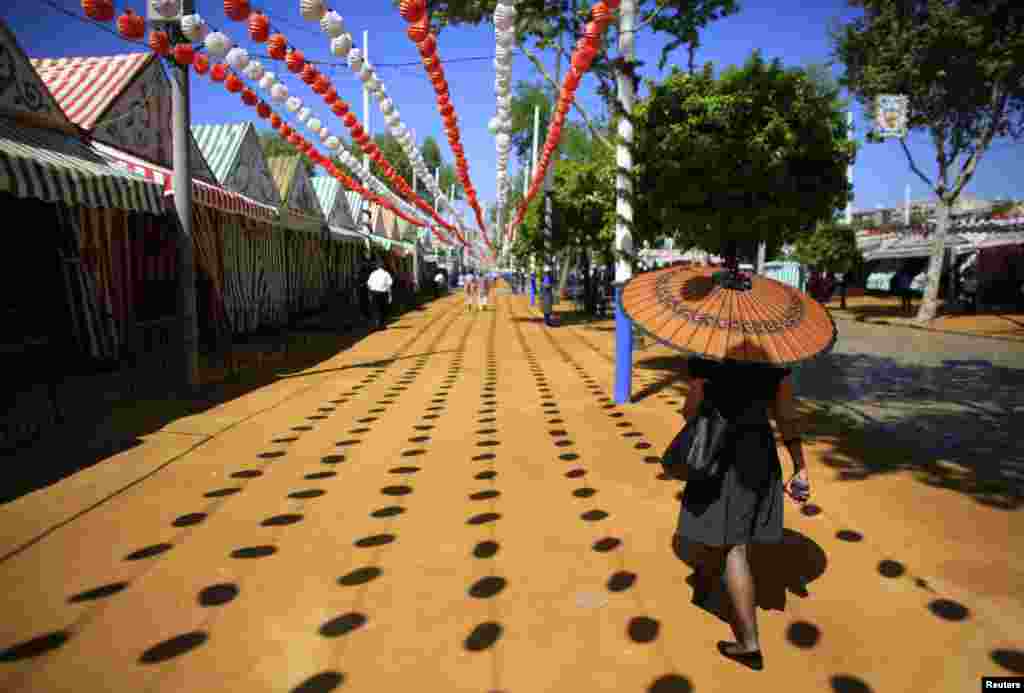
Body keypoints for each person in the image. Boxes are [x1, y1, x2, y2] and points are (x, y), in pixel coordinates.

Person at [676, 349, 809, 671]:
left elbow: (690, 412)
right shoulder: (776, 360)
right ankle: (707, 584)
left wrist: (706, 392)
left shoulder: (706, 356)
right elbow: (786, 415)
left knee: (735, 548)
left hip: (717, 451)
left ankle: (749, 644)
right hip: (759, 452)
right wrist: (800, 466)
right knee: (724, 532)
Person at [367, 262, 392, 330]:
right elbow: (389, 285)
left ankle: (376, 324)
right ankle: (381, 325)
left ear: (377, 267)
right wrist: (390, 295)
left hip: (374, 293)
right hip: (383, 293)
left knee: (375, 309)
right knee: (383, 309)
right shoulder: (386, 273)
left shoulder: (373, 273)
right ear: (383, 267)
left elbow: (368, 284)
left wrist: (370, 294)